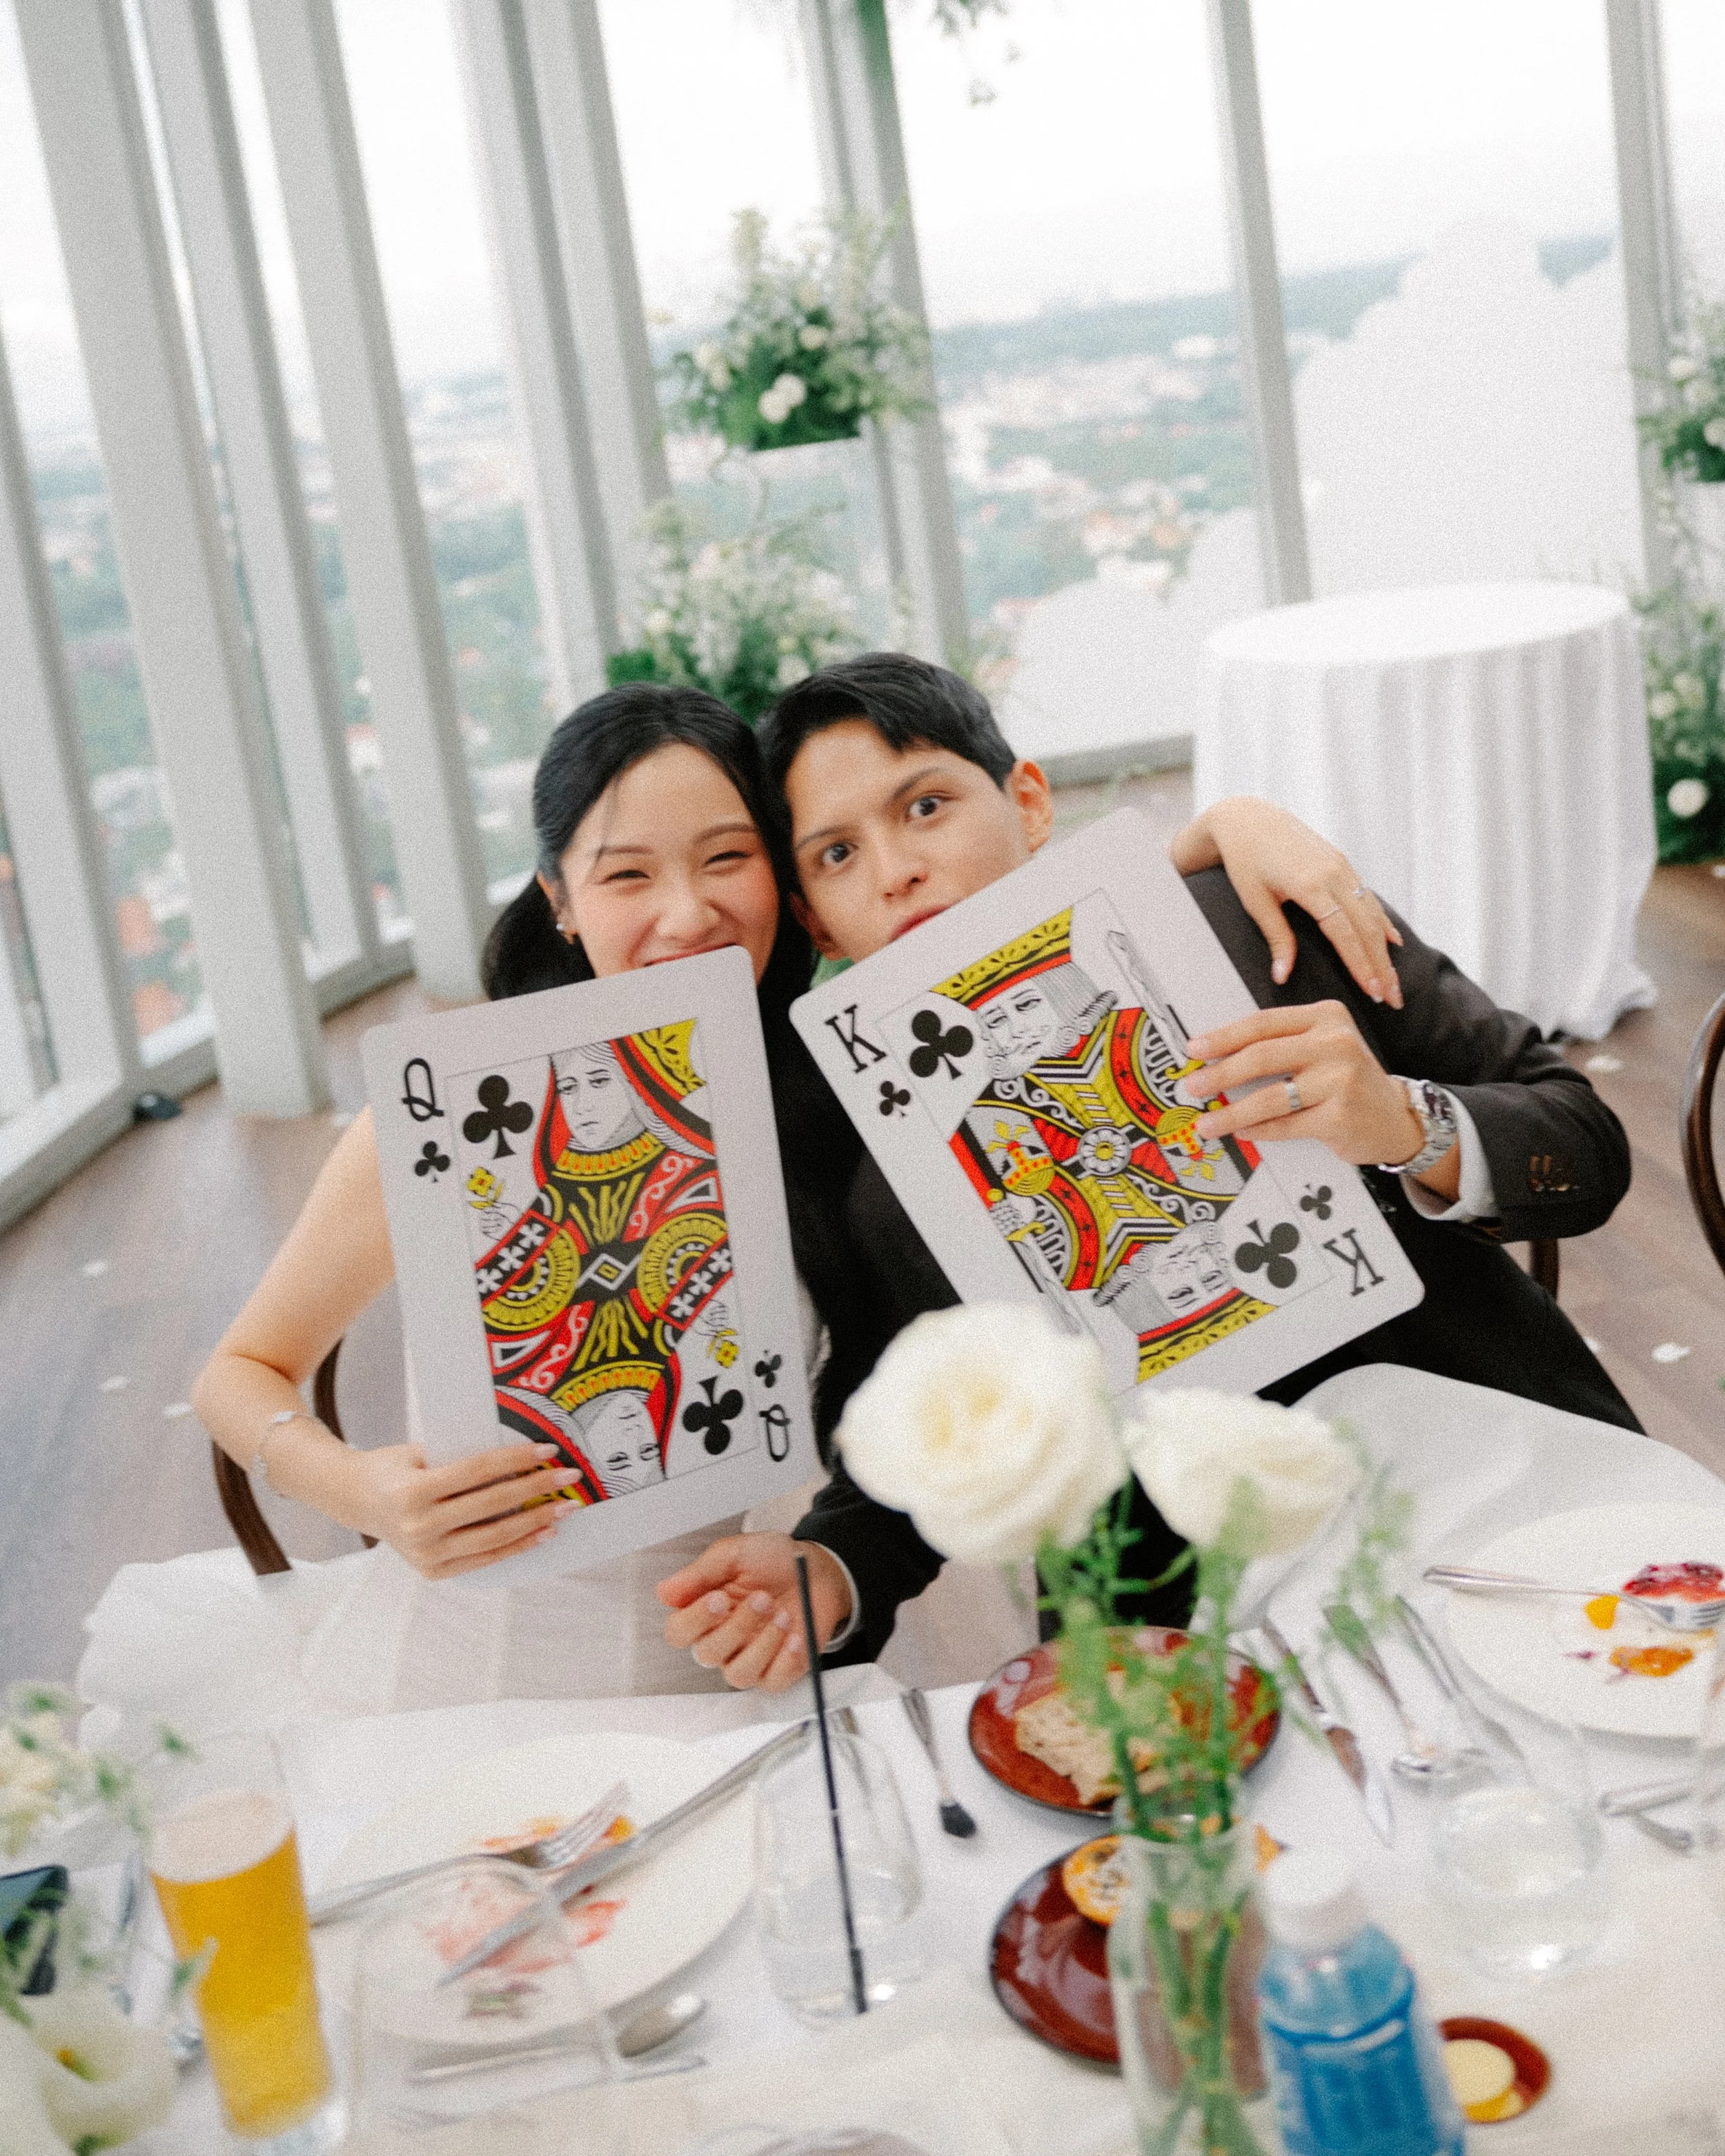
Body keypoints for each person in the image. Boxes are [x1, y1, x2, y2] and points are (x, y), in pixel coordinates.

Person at [195, 676, 1373, 1706]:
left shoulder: (838, 1086)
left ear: (788, 889)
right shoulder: (456, 1112)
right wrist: (356, 1485)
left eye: (727, 860)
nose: (688, 914)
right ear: (558, 897)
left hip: (726, 1646)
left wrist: (1223, 825)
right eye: (626, 876)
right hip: (468, 1674)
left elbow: (1005, 924)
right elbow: (237, 1378)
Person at [658, 653, 1637, 1692]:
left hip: (1495, 1488)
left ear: (1028, 802)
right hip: (1173, 1639)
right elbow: (917, 1417)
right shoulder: (866, 1161)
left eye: (928, 806)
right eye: (839, 854)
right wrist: (835, 1565)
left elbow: (1586, 1145)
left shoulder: (1259, 921)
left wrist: (1406, 1123)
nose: (896, 868)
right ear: (814, 920)